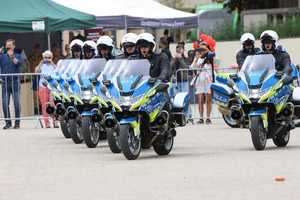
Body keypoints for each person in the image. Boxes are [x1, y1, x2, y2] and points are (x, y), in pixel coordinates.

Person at [0, 39, 23, 129]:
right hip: (5, 82)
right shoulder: (2, 56)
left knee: (16, 103)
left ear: (13, 46)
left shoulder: (18, 55)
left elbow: (19, 63)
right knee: (5, 103)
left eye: (10, 45)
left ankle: (17, 123)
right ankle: (8, 123)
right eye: (7, 45)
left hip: (15, 82)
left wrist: (12, 57)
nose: (8, 47)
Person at [192, 43, 215, 124]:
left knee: (208, 99)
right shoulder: (197, 57)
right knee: (200, 100)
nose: (202, 51)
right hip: (200, 80)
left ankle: (208, 118)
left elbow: (214, 64)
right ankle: (201, 118)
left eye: (204, 49)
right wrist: (196, 59)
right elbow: (192, 67)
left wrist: (207, 55)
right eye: (201, 49)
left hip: (208, 80)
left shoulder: (210, 57)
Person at [35, 50, 58, 128]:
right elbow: (36, 71)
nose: (47, 59)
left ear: (51, 57)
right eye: (45, 57)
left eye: (49, 57)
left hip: (52, 87)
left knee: (53, 104)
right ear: (43, 57)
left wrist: (52, 62)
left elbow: (58, 71)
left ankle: (55, 121)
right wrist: (41, 63)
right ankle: (47, 123)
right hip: (42, 86)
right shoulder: (41, 65)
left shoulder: (53, 65)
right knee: (44, 105)